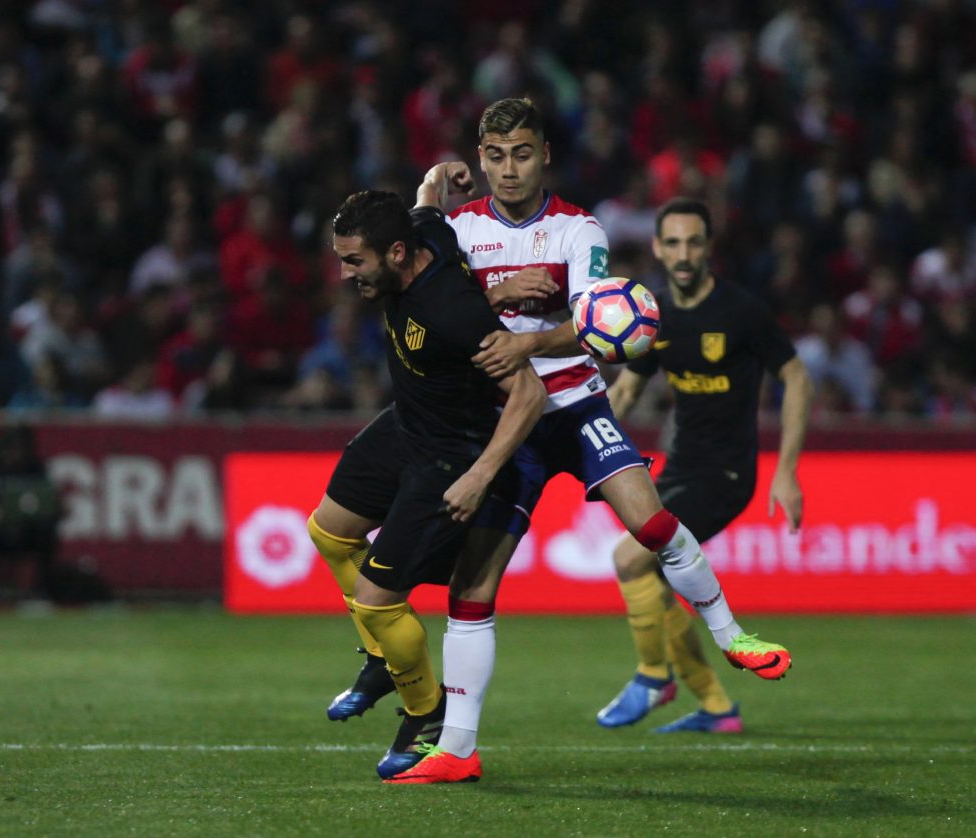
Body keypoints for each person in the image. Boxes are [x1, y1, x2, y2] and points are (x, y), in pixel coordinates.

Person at [328, 98, 794, 784]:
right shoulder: (457, 229)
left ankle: (733, 635)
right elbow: (435, 293)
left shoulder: (579, 231)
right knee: (472, 590)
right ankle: (456, 748)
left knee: (654, 522)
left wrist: (531, 342)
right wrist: (445, 200)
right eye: (495, 157)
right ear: (480, 159)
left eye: (521, 154)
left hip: (574, 403)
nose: (508, 170)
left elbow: (603, 321)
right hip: (507, 421)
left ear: (544, 154)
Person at [306, 189, 546, 780]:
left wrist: (479, 475)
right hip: (405, 424)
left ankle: (427, 715)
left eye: (354, 261)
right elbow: (431, 199)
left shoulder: (453, 309)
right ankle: (385, 660)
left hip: (448, 455)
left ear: (394, 253)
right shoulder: (423, 231)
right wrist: (439, 176)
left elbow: (529, 395)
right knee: (329, 532)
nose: (345, 274)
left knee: (375, 598)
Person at [596, 197, 814, 734]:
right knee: (660, 585)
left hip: (727, 474)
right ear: (657, 247)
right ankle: (717, 708)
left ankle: (653, 677)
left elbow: (798, 379)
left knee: (630, 559)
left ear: (709, 247)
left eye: (694, 242)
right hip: (676, 469)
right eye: (673, 243)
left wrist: (786, 471)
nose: (684, 253)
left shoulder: (741, 312)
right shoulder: (654, 314)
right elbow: (627, 390)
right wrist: (584, 439)